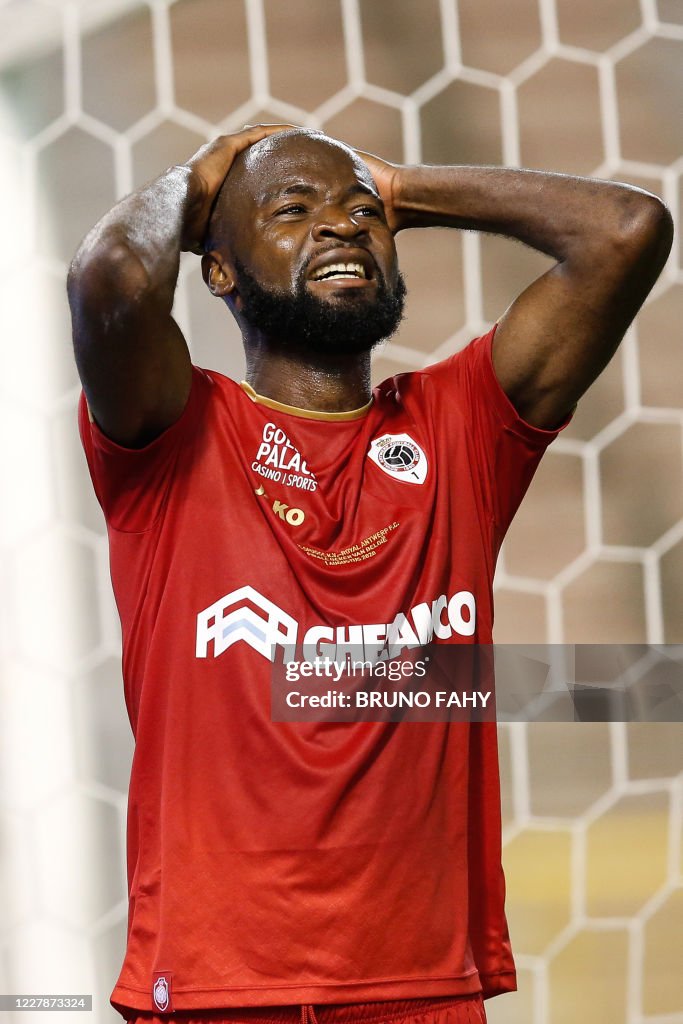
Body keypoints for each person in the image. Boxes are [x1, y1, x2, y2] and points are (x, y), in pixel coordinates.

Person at [67, 125, 672, 1024]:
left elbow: (625, 231)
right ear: (218, 269)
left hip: (424, 988)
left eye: (359, 216)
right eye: (293, 210)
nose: (341, 227)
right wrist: (202, 182)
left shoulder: (458, 426)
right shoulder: (175, 430)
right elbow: (111, 279)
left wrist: (397, 187)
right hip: (223, 990)